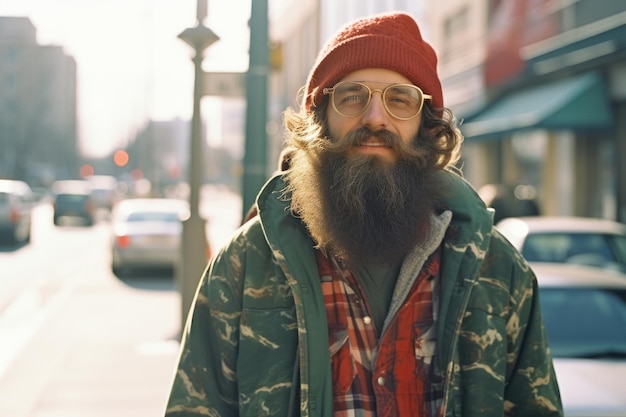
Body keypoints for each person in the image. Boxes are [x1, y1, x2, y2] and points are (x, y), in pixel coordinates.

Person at [165, 11, 563, 417]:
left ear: (427, 127)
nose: (375, 118)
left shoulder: (495, 269)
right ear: (320, 119)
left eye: (399, 100)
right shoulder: (246, 263)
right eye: (352, 96)